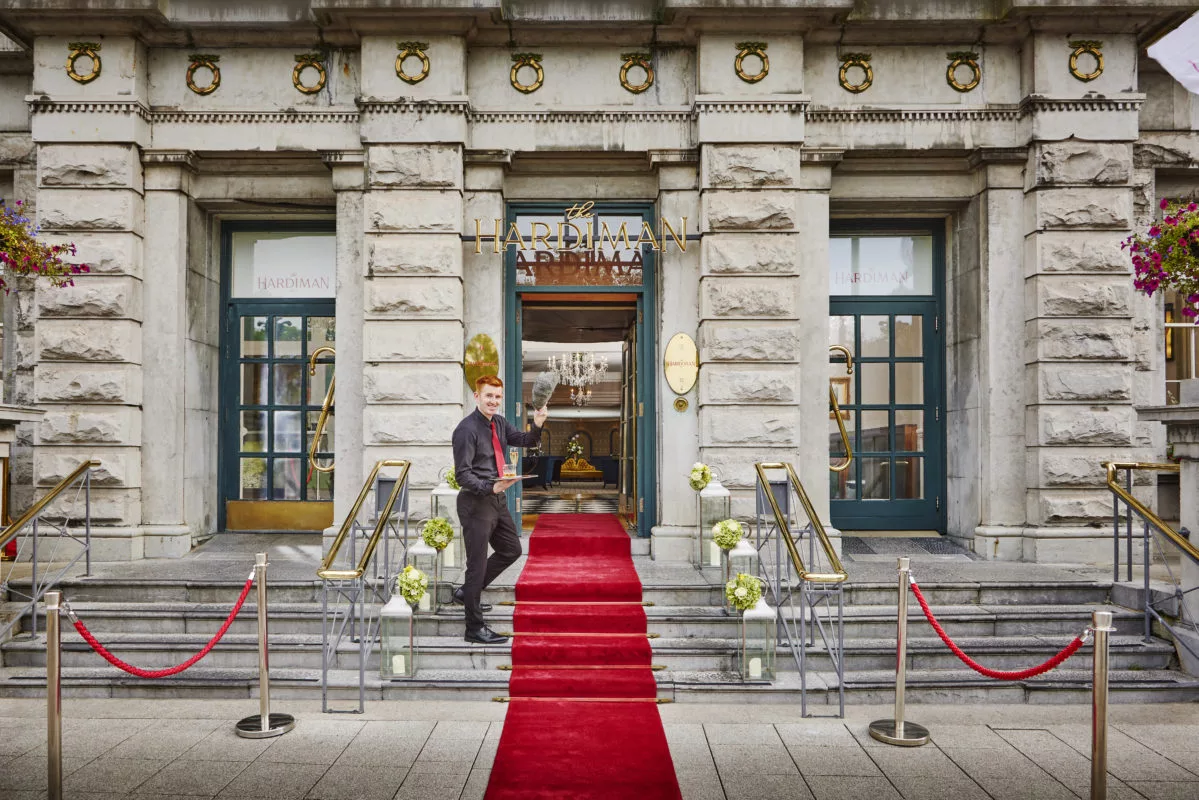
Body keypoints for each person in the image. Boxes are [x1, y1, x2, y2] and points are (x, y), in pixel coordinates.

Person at [451, 374, 549, 644]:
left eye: (497, 397)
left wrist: (537, 424)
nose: (493, 401)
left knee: (511, 549)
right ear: (477, 396)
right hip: (476, 503)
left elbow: (526, 440)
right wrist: (489, 487)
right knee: (476, 564)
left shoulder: (500, 424)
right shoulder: (465, 430)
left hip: (496, 501)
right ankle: (474, 628)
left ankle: (467, 593)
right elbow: (462, 475)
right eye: (488, 396)